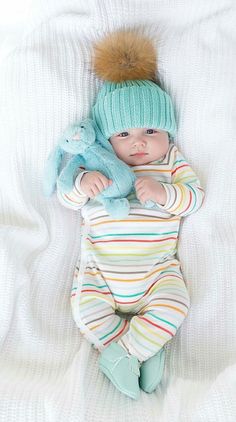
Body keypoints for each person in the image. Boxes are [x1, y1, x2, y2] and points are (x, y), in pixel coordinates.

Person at [56, 29, 205, 400]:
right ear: (107, 140)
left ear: (168, 134)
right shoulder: (96, 165)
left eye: (151, 130)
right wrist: (83, 183)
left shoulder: (171, 163)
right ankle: (139, 348)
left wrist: (164, 192)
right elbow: (67, 196)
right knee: (86, 311)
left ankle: (127, 353)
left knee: (176, 303)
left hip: (157, 272)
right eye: (123, 134)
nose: (138, 141)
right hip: (100, 274)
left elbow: (194, 199)